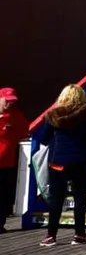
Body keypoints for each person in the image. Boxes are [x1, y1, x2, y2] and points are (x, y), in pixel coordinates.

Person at [33, 84, 86, 247]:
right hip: (81, 159)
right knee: (79, 197)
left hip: (58, 161)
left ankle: (51, 236)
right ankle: (79, 234)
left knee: (56, 198)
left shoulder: (53, 115)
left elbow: (44, 138)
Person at [0, 88, 29, 232]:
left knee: (4, 194)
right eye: (7, 100)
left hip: (7, 162)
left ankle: (0, 223)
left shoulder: (15, 116)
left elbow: (23, 132)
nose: (9, 104)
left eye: (12, 101)